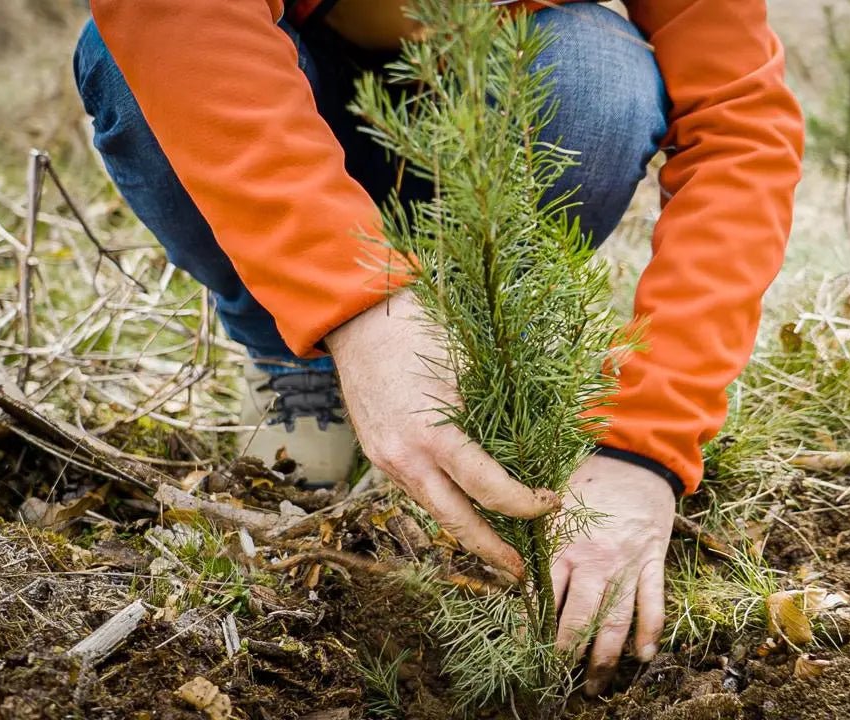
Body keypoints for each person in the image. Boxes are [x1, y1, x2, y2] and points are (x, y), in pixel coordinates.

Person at [74, 0, 803, 695]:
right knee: (124, 62)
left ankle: (481, 357)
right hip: (277, 89)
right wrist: (352, 300)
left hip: (477, 109)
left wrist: (646, 443)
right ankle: (298, 359)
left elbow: (740, 127)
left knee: (601, 77)